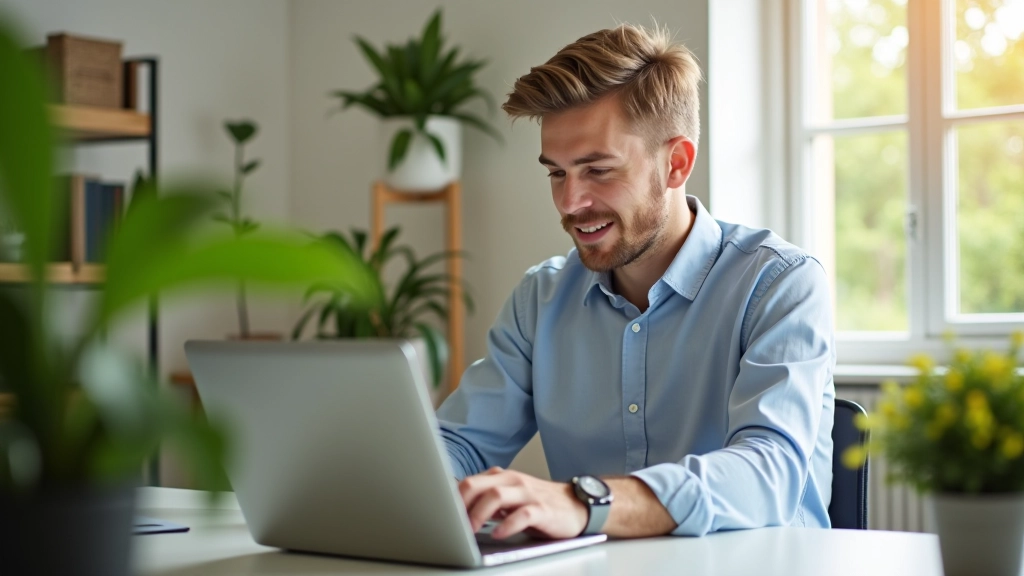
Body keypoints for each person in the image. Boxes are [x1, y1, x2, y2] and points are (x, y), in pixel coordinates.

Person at [435, 23, 835, 541]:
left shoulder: (780, 283)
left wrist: (584, 503)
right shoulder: (542, 298)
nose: (569, 202)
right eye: (556, 173)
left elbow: (768, 473)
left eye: (598, 170)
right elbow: (460, 445)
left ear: (676, 163)